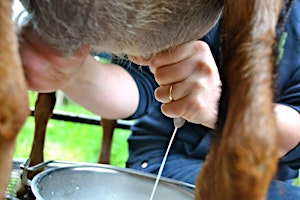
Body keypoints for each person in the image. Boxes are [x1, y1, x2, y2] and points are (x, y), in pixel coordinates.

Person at [19, 0, 300, 199]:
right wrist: (69, 70)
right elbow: (139, 90)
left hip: (267, 178)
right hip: (165, 162)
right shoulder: (196, 9)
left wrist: (224, 108)